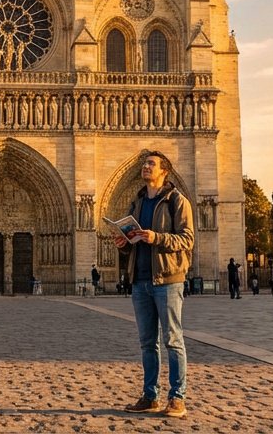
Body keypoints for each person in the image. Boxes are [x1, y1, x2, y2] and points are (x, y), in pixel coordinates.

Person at [113, 150, 193, 419]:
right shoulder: (136, 203)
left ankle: (177, 397)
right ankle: (150, 396)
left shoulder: (177, 201)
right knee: (147, 343)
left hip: (167, 280)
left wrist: (155, 237)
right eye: (144, 164)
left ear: (164, 171)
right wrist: (124, 244)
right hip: (141, 281)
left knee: (172, 339)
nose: (145, 167)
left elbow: (187, 239)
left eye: (151, 164)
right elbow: (133, 243)